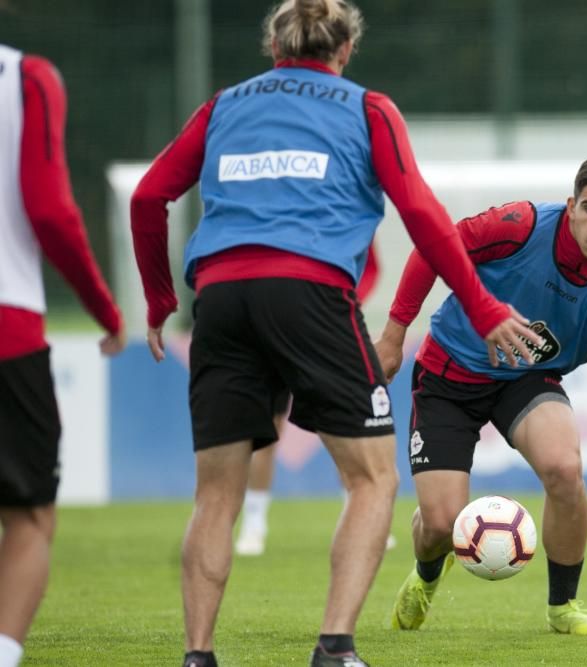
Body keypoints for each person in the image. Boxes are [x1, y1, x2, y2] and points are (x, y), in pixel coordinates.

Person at [130, 1, 540, 666]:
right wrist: (484, 305)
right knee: (372, 479)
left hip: (222, 298)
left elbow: (149, 196)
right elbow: (422, 213)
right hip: (311, 294)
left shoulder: (223, 105)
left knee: (214, 495)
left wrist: (158, 297)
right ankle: (335, 647)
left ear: (274, 46)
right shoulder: (368, 107)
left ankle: (198, 655)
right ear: (345, 49)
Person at [375, 153, 587, 636]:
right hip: (450, 374)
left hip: (527, 378)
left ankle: (563, 608)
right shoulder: (519, 226)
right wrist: (394, 337)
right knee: (440, 525)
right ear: (570, 206)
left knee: (566, 469)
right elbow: (432, 248)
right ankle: (425, 576)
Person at [0, 44, 126, 667]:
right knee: (27, 519)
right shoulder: (26, 78)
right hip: (8, 331)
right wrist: (105, 309)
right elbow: (51, 212)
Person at [234, 246, 385, 558]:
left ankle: (360, 515)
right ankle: (254, 522)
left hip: (327, 328)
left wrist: (343, 301)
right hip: (272, 327)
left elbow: (370, 269)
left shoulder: (349, 211)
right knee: (266, 428)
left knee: (345, 425)